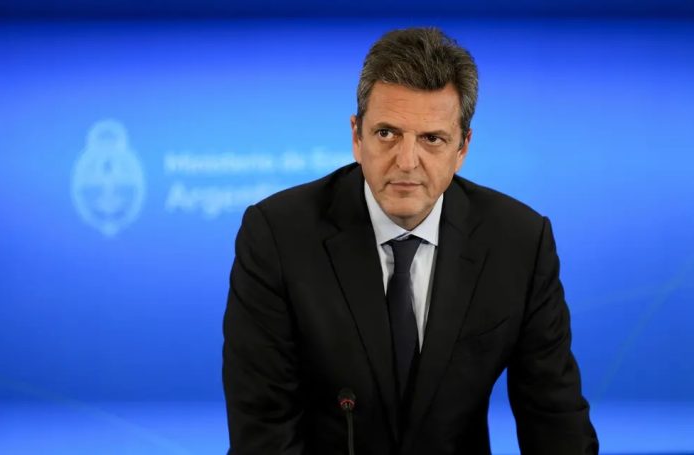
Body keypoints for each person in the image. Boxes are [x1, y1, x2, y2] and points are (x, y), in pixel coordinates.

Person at [223, 27, 598, 454]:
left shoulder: (519, 242)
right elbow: (263, 433)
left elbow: (555, 422)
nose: (406, 161)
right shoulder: (276, 236)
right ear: (356, 136)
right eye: (387, 133)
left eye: (431, 139)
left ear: (462, 148)